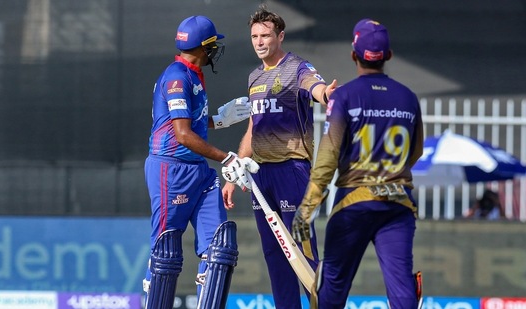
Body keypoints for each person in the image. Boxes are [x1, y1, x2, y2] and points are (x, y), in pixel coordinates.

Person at [291, 19, 424, 308]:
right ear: (388, 56)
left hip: (354, 203)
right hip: (398, 205)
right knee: (402, 290)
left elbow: (327, 159)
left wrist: (307, 208)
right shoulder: (408, 98)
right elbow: (416, 152)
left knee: (332, 288)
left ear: (354, 55)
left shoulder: (345, 97)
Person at [221, 5, 337, 309]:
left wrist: (328, 96)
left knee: (302, 249)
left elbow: (317, 87)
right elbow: (252, 127)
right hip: (260, 175)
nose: (259, 41)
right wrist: (234, 173)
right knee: (274, 253)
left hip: (293, 171)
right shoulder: (254, 76)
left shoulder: (297, 67)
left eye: (265, 35)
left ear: (280, 36)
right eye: (254, 36)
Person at [142, 15, 259, 309]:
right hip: (171, 168)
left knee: (219, 249)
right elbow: (182, 134)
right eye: (213, 45)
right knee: (166, 252)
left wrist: (220, 120)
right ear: (203, 47)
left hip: (198, 172)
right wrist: (227, 156)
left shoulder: (193, 74)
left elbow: (190, 123)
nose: (215, 50)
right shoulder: (177, 77)